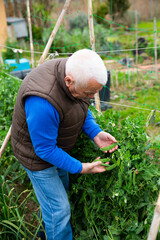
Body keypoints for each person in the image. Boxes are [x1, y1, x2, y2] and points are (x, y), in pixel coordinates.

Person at [11, 49, 118, 240]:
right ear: (69, 81)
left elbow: (80, 105)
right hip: (37, 158)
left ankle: (45, 234)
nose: (91, 97)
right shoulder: (42, 101)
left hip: (57, 148)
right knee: (59, 210)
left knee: (54, 202)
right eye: (89, 93)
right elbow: (44, 149)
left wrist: (95, 132)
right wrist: (81, 167)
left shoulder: (75, 72)